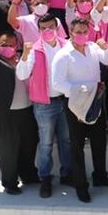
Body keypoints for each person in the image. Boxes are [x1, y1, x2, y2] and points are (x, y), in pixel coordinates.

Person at [50, 18, 108, 203]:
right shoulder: (63, 55)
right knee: (77, 146)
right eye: (78, 32)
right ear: (71, 31)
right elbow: (57, 83)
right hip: (75, 105)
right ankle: (81, 186)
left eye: (85, 32)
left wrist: (105, 47)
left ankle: (100, 176)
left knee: (99, 141)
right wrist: (81, 93)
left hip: (96, 101)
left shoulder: (93, 48)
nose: (81, 35)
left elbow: (107, 60)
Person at [15, 14, 73, 198]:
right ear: (39, 30)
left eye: (51, 27)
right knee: (46, 143)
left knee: (66, 140)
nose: (47, 31)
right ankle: (45, 178)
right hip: (44, 104)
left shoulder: (67, 45)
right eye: (43, 28)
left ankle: (67, 174)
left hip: (65, 101)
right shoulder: (34, 49)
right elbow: (22, 75)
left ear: (57, 27)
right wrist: (24, 55)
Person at [0, 30, 40, 195]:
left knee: (29, 145)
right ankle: (10, 182)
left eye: (11, 45)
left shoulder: (23, 59)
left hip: (27, 110)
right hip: (6, 113)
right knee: (8, 149)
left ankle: (28, 175)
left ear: (17, 46)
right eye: (4, 44)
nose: (8, 48)